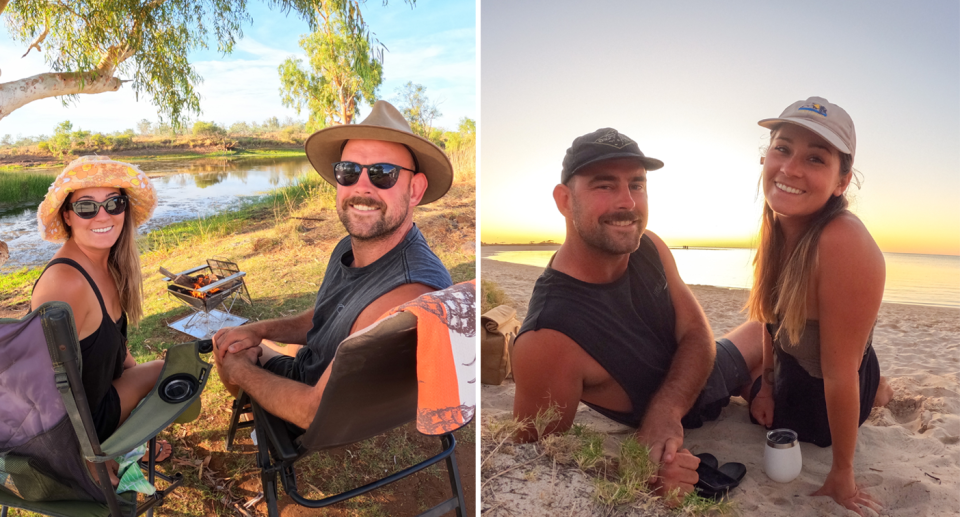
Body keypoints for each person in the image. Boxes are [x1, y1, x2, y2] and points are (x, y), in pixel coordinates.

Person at [511, 128, 763, 501]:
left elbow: (696, 332)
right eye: (604, 186)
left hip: (704, 373)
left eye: (637, 184)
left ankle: (769, 384)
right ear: (564, 200)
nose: (628, 202)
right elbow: (534, 465)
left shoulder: (650, 247)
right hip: (693, 408)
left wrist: (666, 410)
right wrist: (639, 473)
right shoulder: (549, 337)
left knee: (778, 330)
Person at [213, 100, 454, 430]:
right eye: (349, 172)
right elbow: (326, 316)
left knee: (225, 346)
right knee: (242, 338)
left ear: (415, 189)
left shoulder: (408, 293)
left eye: (384, 174)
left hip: (308, 404)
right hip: (319, 379)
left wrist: (238, 368)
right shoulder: (350, 246)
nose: (362, 187)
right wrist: (259, 330)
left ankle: (266, 428)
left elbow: (314, 412)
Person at [731, 97, 892, 515]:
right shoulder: (778, 226)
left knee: (730, 383)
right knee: (748, 376)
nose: (791, 168)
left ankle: (878, 389)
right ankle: (879, 386)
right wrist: (765, 385)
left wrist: (842, 473)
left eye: (816, 158)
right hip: (798, 358)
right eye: (783, 148)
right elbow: (770, 321)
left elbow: (840, 375)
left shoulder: (842, 242)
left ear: (842, 181)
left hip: (829, 393)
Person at [32, 156, 168, 485]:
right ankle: (119, 446)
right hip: (83, 425)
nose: (103, 215)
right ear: (68, 215)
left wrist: (130, 367)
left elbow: (110, 347)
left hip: (95, 401)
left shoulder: (107, 266)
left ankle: (131, 442)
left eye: (113, 203)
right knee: (175, 370)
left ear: (124, 209)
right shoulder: (67, 282)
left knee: (153, 370)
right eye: (87, 207)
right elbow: (38, 384)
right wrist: (87, 458)